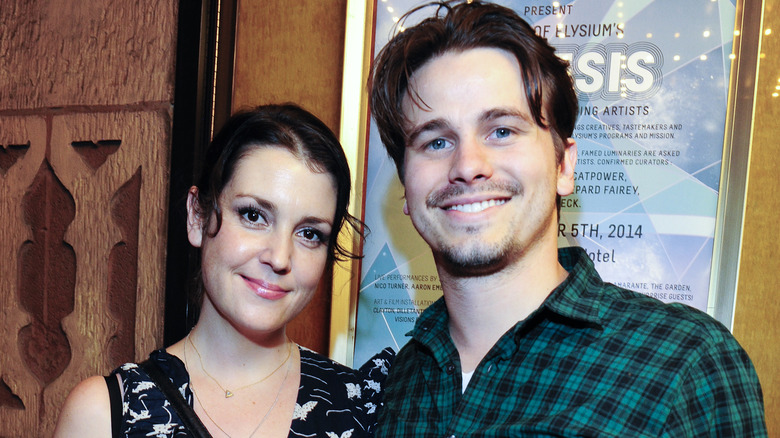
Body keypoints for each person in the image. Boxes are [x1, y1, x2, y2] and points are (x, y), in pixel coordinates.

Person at [368, 1, 767, 436]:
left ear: (563, 166)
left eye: (502, 131)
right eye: (435, 141)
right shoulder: (400, 380)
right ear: (406, 186)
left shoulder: (685, 362)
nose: (468, 164)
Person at [54, 104, 393, 438]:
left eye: (309, 233)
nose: (279, 257)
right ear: (197, 217)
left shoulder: (364, 409)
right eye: (254, 215)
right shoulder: (106, 414)